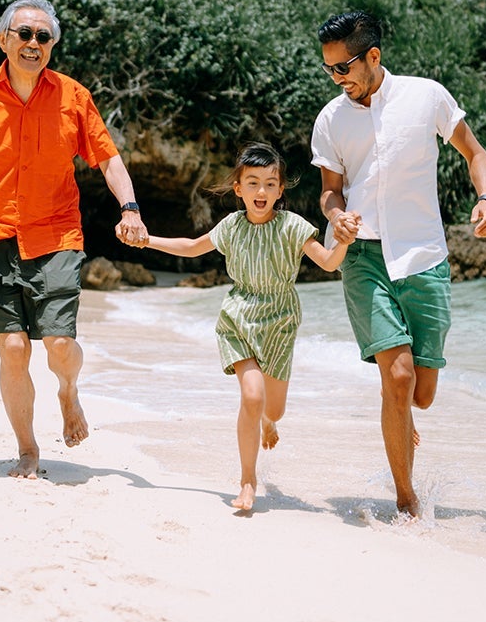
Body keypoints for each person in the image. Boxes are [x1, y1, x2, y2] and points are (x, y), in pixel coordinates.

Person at [0, 0, 149, 479]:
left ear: (52, 45)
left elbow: (108, 158)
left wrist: (129, 208)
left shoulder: (73, 97)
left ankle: (68, 393)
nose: (33, 43)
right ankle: (28, 449)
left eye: (43, 36)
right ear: (4, 39)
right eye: (23, 34)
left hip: (56, 233)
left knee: (59, 346)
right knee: (13, 347)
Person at [309, 10, 486, 518]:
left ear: (373, 56)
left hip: (424, 257)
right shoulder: (331, 119)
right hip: (363, 256)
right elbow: (329, 193)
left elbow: (475, 154)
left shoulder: (426, 96)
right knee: (396, 377)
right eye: (328, 69)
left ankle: (403, 413)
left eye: (343, 66)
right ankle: (407, 499)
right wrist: (337, 215)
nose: (337, 78)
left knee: (422, 394)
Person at [140, 142, 352, 512]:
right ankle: (247, 481)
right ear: (238, 188)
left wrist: (343, 241)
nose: (261, 191)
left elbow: (330, 264)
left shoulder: (293, 227)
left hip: (280, 324)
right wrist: (147, 239)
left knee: (274, 410)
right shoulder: (232, 227)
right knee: (252, 396)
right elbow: (192, 247)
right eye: (252, 183)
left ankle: (267, 422)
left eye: (271, 184)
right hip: (238, 317)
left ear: (281, 190)